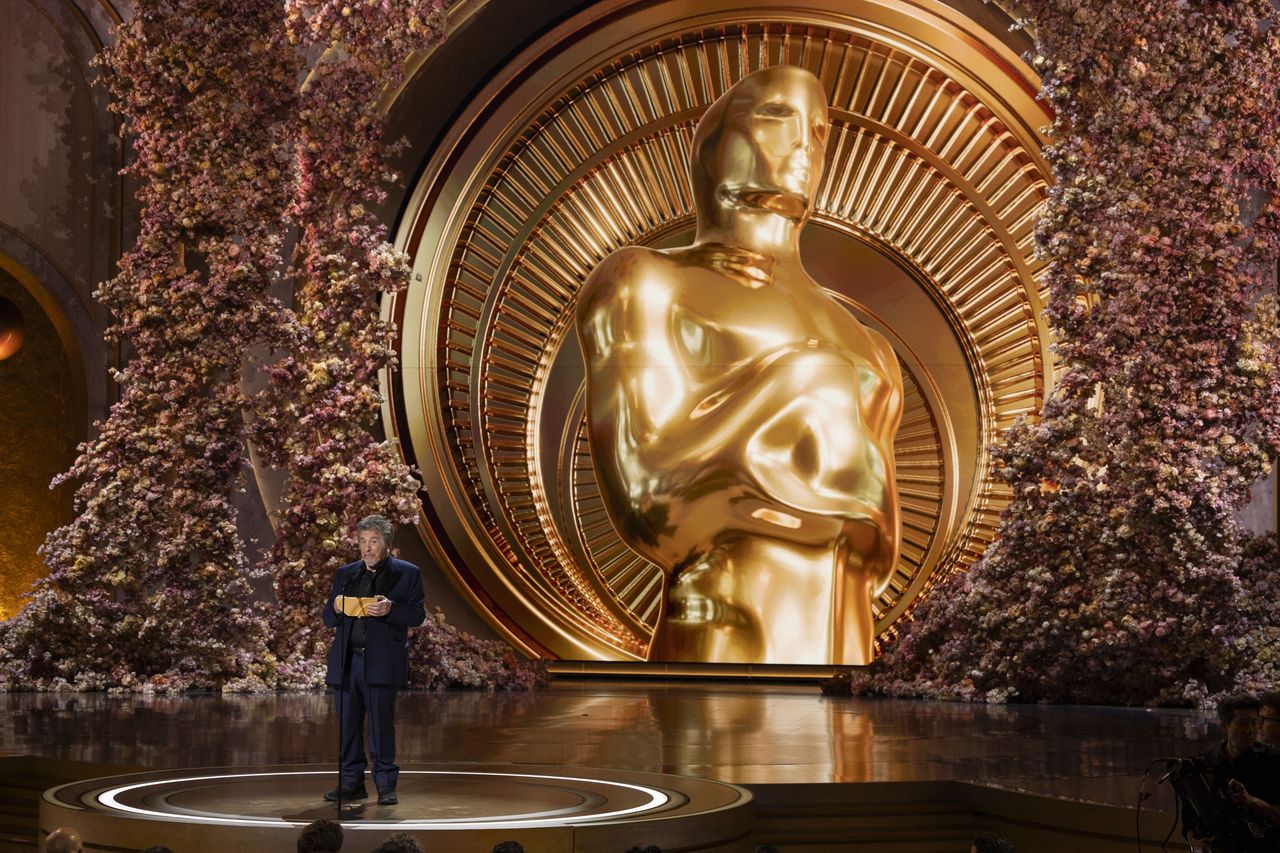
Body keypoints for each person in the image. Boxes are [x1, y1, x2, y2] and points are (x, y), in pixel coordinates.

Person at [323, 514, 426, 806]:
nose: (367, 548)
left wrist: (391, 609)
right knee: (348, 727)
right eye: (363, 541)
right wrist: (338, 608)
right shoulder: (346, 574)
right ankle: (351, 783)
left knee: (381, 727)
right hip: (347, 663)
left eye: (373, 541)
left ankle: (385, 785)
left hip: (380, 662)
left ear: (387, 544)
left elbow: (417, 615)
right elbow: (328, 618)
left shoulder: (407, 573)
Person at [1182, 693, 1280, 851]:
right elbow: (1189, 821)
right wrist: (1195, 843)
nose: (1250, 730)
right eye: (1242, 723)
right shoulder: (1203, 763)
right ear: (1224, 725)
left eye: (1254, 723)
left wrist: (1251, 801)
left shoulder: (1273, 761)